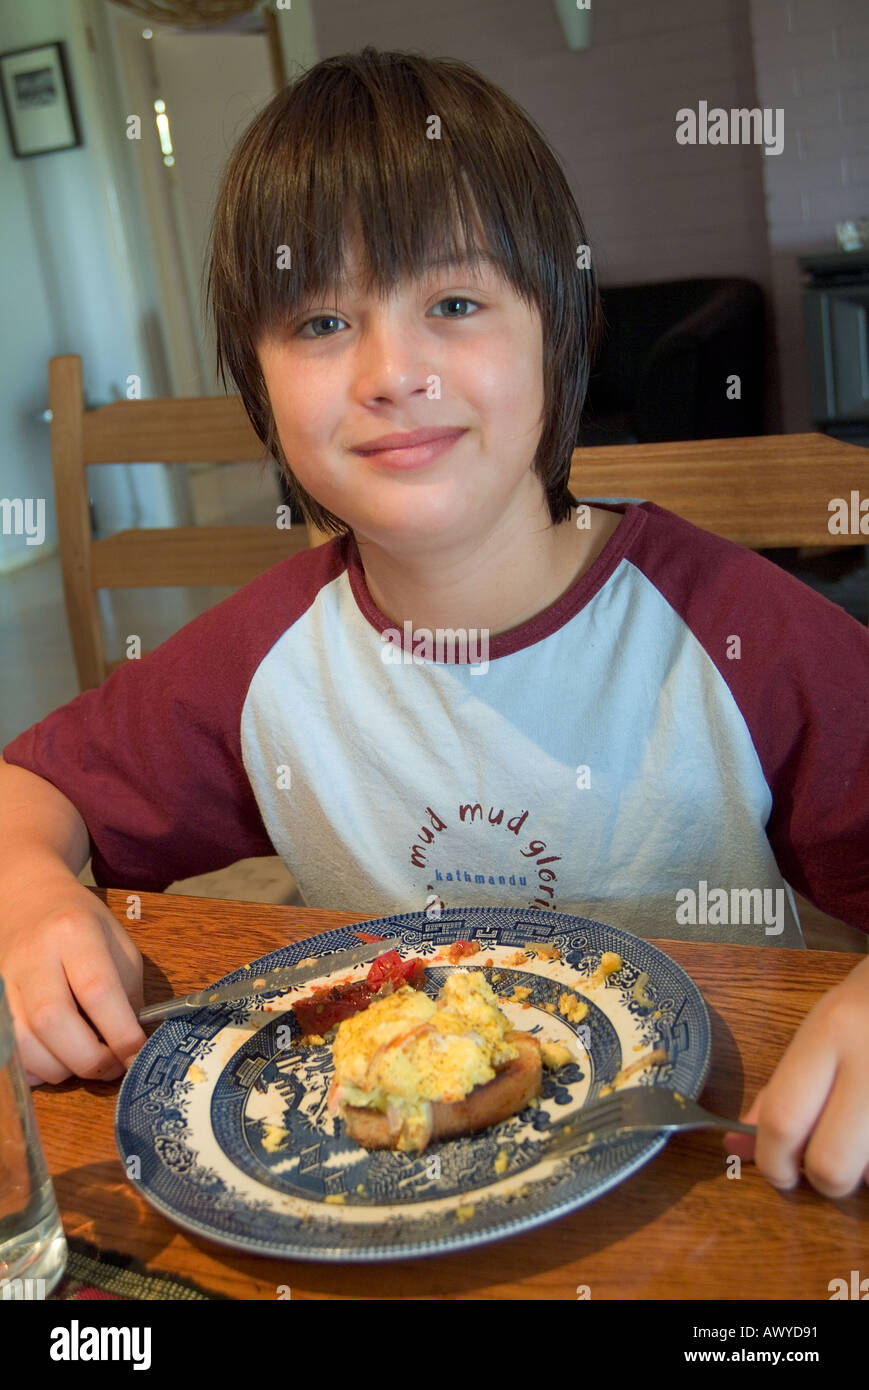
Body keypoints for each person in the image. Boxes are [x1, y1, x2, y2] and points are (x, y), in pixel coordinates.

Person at [1, 48, 867, 1199]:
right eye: (318, 321)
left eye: (453, 304)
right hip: (384, 1214)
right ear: (258, 387)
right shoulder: (267, 657)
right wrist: (29, 894)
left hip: (719, 1180)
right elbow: (33, 788)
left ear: (556, 333)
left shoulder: (725, 628)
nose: (390, 369)